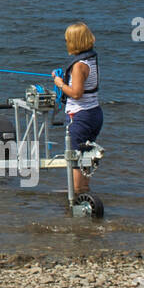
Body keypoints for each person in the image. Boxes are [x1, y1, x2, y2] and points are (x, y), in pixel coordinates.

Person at [51, 21, 101, 196]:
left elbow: (76, 93)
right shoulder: (91, 58)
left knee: (75, 157)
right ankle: (83, 190)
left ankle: (77, 194)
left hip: (80, 116)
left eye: (67, 40)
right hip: (94, 113)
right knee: (86, 155)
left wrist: (59, 83)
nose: (66, 43)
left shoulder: (79, 65)